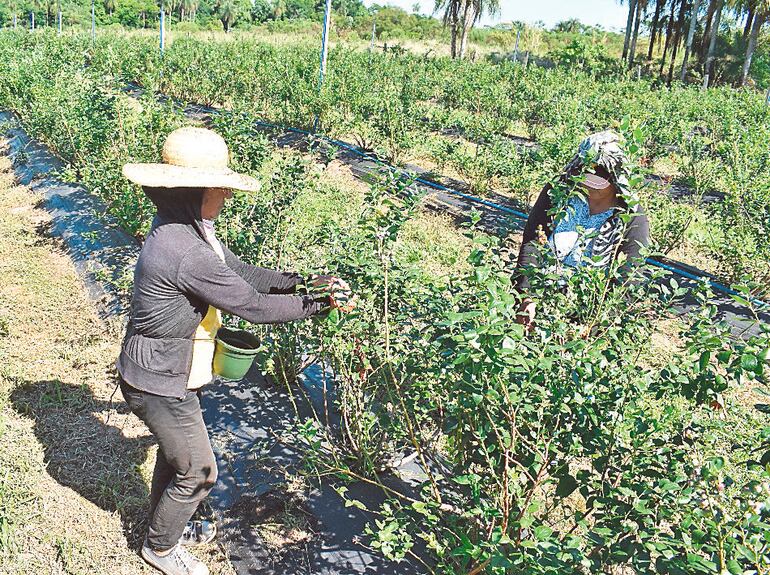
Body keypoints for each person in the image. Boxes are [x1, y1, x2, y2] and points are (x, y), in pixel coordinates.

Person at [117, 127, 354, 575]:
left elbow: (243, 273)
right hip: (159, 380)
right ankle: (160, 549)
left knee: (178, 459)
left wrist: (304, 281)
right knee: (199, 471)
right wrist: (320, 304)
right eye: (219, 186)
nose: (226, 193)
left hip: (170, 369)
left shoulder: (187, 229)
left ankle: (171, 527)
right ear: (196, 190)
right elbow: (253, 306)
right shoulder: (185, 250)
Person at [512, 131, 650, 330]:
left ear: (617, 180)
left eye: (598, 182)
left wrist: (594, 325)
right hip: (541, 299)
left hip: (588, 315)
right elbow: (533, 242)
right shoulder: (558, 194)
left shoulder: (631, 216)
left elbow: (630, 276)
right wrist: (527, 297)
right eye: (583, 176)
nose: (587, 185)